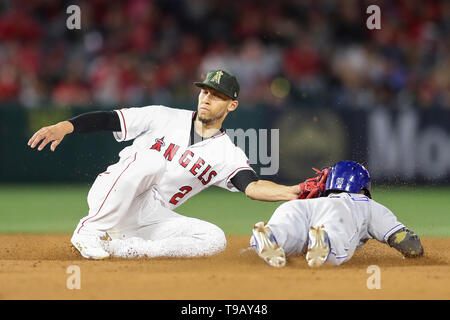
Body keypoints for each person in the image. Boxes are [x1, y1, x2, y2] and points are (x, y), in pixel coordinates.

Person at [28, 69, 302, 259]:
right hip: (115, 193)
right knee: (151, 161)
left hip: (149, 216)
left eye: (216, 95)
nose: (206, 97)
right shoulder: (162, 116)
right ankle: (89, 230)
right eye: (205, 91)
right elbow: (110, 119)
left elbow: (252, 186)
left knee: (214, 239)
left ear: (232, 106)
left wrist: (292, 191)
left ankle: (124, 249)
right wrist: (66, 126)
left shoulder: (226, 154)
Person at [250, 160, 424, 268]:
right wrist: (416, 252)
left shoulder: (312, 199)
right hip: (340, 213)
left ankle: (271, 235)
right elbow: (404, 241)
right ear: (362, 187)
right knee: (335, 239)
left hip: (299, 206)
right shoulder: (365, 204)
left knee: (286, 230)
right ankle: (324, 242)